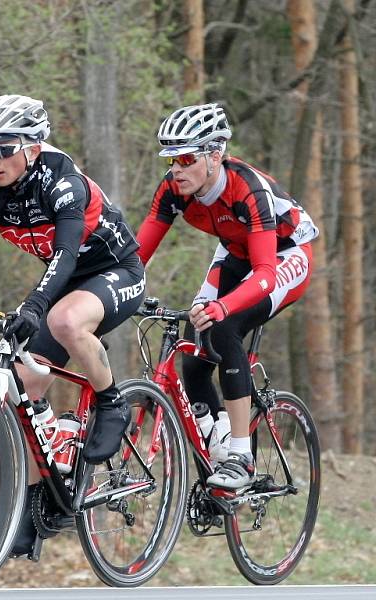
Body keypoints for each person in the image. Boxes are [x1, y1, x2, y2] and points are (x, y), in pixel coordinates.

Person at [0, 94, 145, 556]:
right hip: (67, 281)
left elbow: (66, 254)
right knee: (23, 385)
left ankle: (110, 404)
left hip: (116, 272)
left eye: (4, 148)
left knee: (64, 319)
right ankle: (37, 503)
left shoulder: (60, 181)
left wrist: (33, 304)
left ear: (32, 147)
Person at [136, 102, 318, 490]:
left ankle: (242, 455)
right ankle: (217, 438)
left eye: (185, 158)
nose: (176, 170)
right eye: (170, 160)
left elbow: (266, 273)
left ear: (215, 155)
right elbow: (136, 257)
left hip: (286, 253)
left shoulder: (246, 188)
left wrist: (223, 306)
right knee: (194, 347)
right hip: (235, 250)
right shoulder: (174, 189)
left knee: (225, 325)